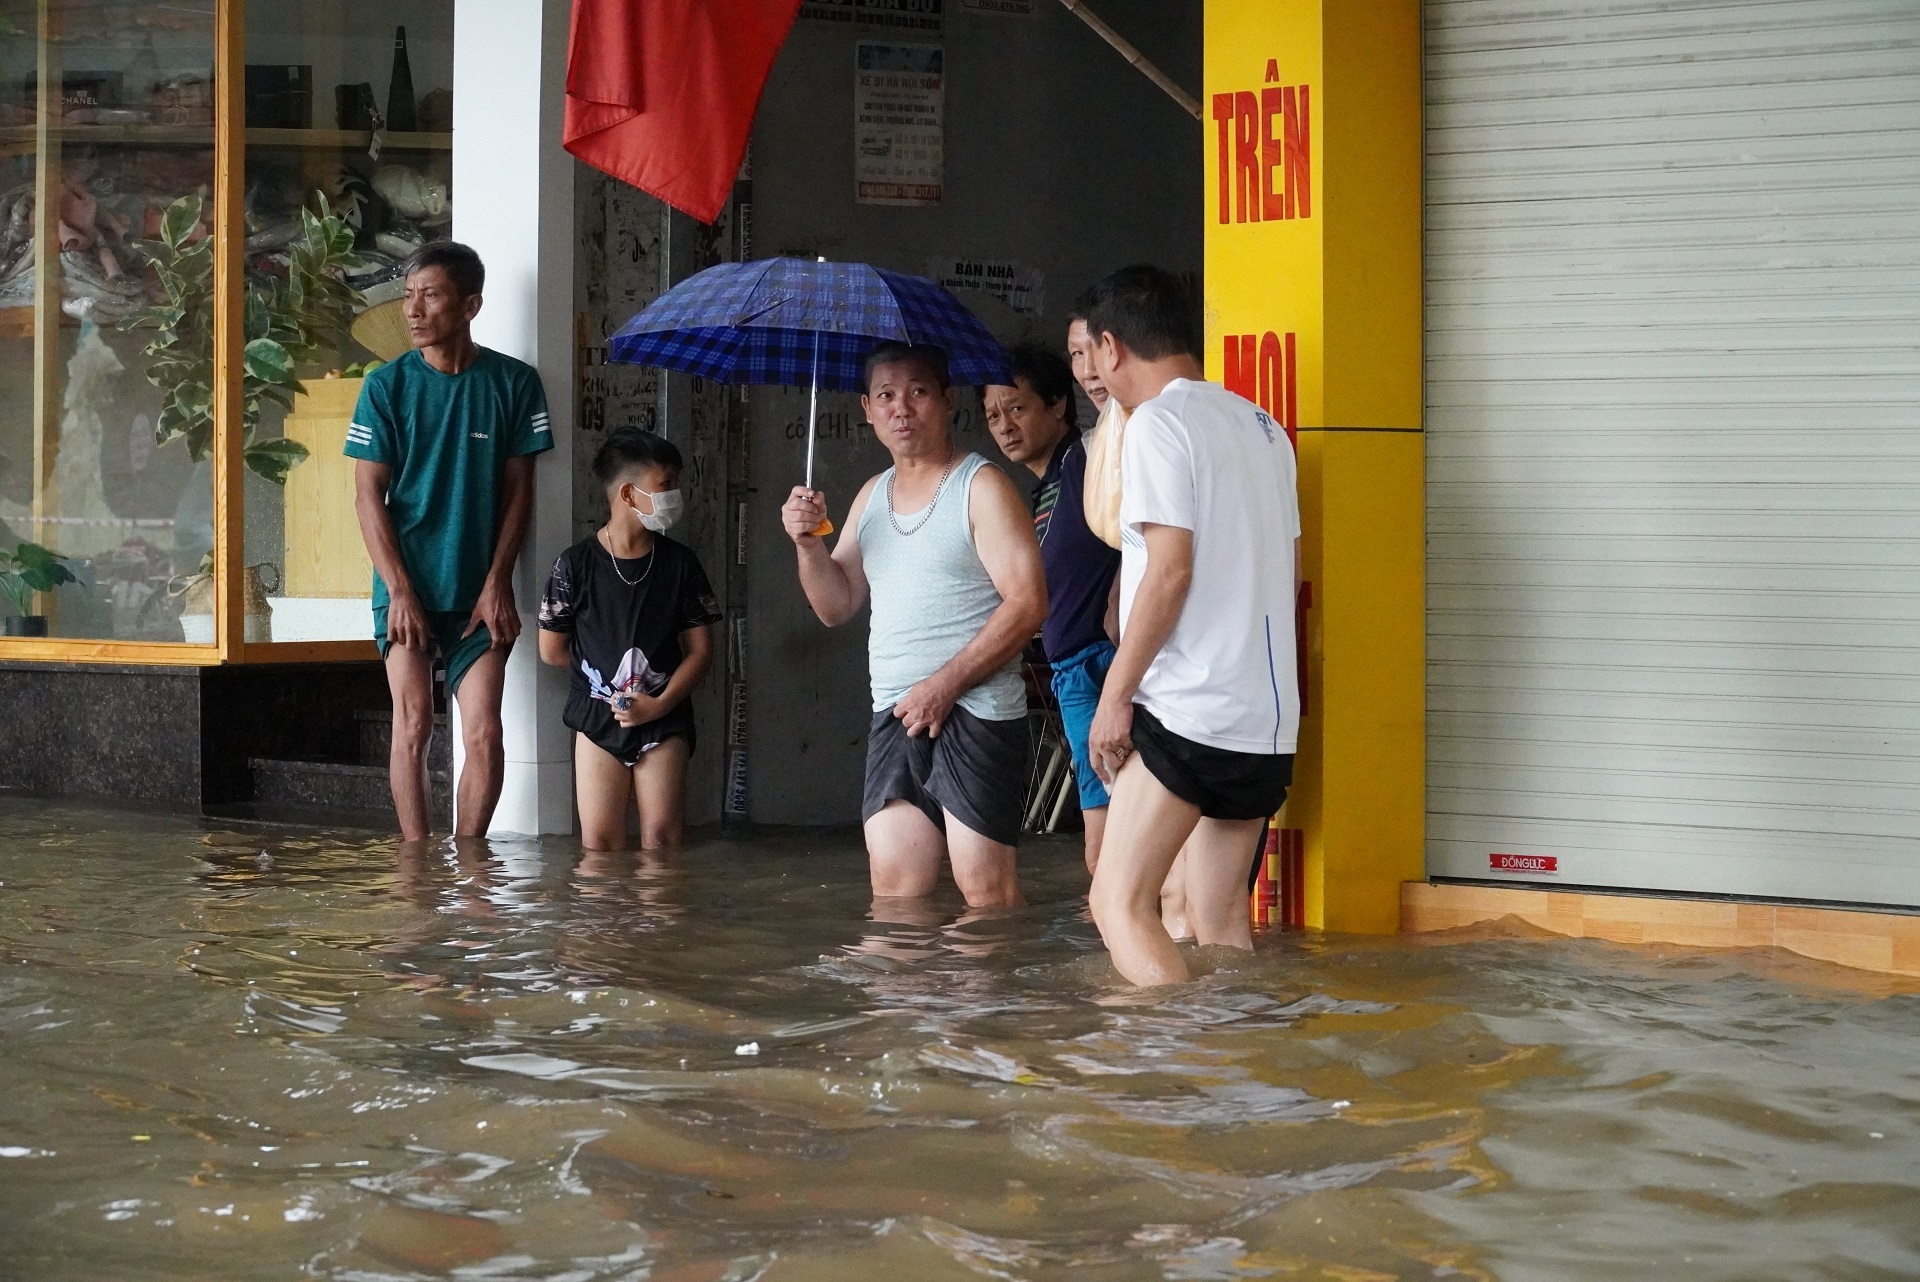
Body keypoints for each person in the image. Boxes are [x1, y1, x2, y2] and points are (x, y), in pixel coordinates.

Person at [1081, 264, 1301, 987]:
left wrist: (1116, 694)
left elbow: (1171, 571)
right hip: (1266, 723)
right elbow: (1284, 571)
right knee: (1220, 924)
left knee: (1118, 904)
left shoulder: (1158, 425)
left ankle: (1167, 1079)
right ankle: (1234, 1066)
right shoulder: (1265, 429)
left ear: (1112, 347)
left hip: (1190, 714)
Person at [781, 342, 1047, 908]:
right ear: (866, 408)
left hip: (975, 713)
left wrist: (945, 686)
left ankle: (1002, 999)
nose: (901, 408)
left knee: (987, 893)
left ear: (947, 400)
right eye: (886, 396)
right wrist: (808, 546)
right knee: (896, 892)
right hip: (896, 712)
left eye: (918, 392)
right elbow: (836, 604)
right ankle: (910, 1003)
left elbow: (1028, 604)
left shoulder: (983, 486)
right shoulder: (870, 496)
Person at [348, 241, 553, 841]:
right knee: (412, 724)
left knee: (484, 732)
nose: (413, 310)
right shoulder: (385, 387)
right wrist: (400, 592)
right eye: (408, 296)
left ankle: (470, 868)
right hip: (405, 584)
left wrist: (497, 585)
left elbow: (520, 494)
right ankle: (415, 870)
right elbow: (368, 499)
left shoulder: (514, 384)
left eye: (429, 296)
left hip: (479, 595)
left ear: (470, 305)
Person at [536, 430, 721, 850]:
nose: (674, 493)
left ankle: (662, 919)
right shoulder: (573, 566)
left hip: (665, 713)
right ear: (627, 492)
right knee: (599, 846)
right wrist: (611, 692)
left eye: (676, 483)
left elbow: (701, 650)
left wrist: (658, 703)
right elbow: (551, 650)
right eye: (664, 484)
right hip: (597, 718)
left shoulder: (680, 565)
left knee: (663, 842)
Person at [983, 343, 1121, 873]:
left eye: (1017, 408)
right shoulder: (1041, 491)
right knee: (1102, 854)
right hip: (1074, 679)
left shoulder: (1091, 458)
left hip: (1110, 669)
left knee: (1113, 853)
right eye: (993, 415)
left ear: (1059, 404)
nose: (1004, 426)